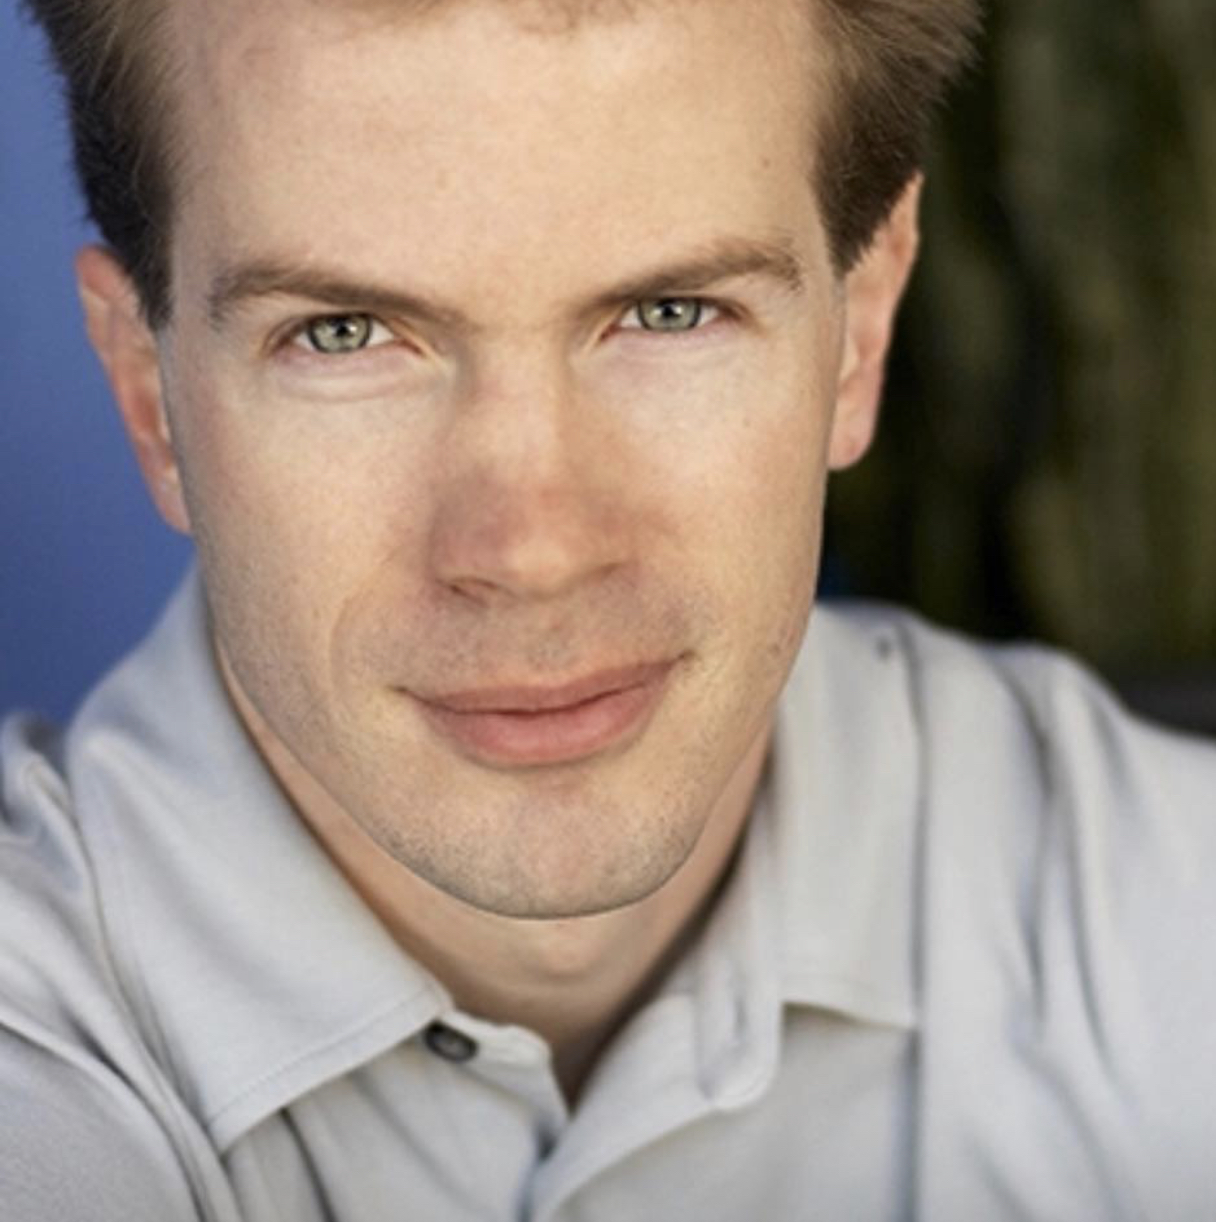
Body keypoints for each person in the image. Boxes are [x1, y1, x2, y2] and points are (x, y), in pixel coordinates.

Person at [4, 0, 1215, 1217]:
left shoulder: (1166, 905)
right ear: (149, 393)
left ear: (859, 331)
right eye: (343, 333)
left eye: (670, 313)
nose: (533, 552)